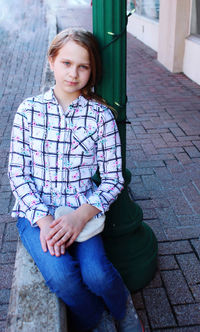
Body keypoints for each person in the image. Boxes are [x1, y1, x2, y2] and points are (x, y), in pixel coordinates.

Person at [8, 28, 144, 332]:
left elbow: (112, 178)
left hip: (81, 209)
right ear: (52, 60)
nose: (74, 73)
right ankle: (98, 320)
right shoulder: (28, 112)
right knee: (63, 277)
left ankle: (121, 308)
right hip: (37, 213)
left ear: (92, 71)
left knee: (97, 275)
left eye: (83, 66)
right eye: (67, 63)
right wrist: (44, 221)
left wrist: (81, 216)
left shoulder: (100, 116)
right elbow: (17, 172)